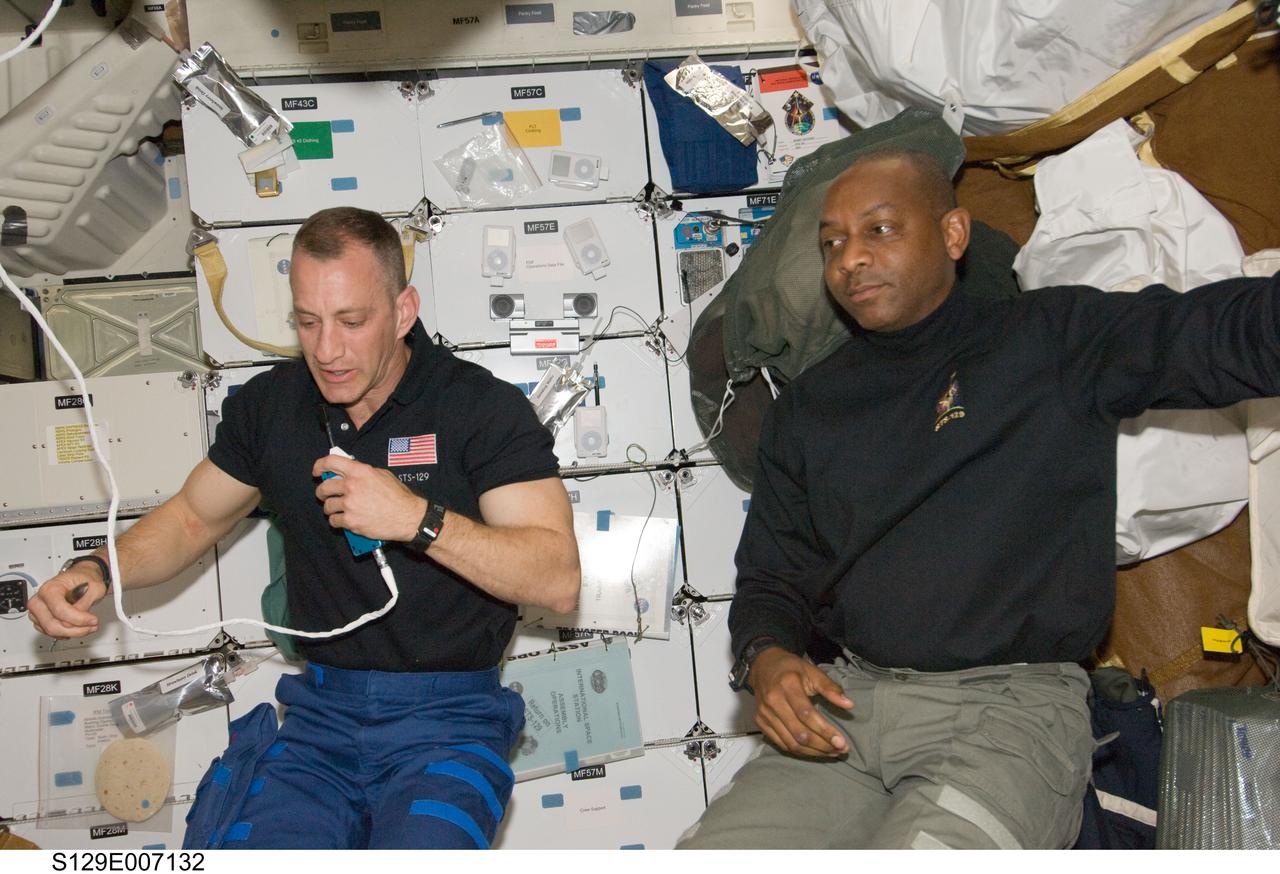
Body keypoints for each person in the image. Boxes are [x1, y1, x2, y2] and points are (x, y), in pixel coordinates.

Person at [677, 148, 1280, 849]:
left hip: (1009, 712)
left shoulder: (1050, 342)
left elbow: (1217, 334)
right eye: (833, 242)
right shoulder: (809, 409)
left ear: (954, 235)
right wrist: (767, 654)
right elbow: (773, 576)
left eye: (880, 230)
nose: (851, 259)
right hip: (850, 703)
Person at [27, 206, 581, 849]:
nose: (327, 350)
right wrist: (96, 569)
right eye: (308, 322)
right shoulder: (270, 409)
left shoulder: (479, 407)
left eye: (352, 321)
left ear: (403, 312)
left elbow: (558, 580)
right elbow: (189, 518)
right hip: (320, 724)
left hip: (450, 721)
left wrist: (415, 519)